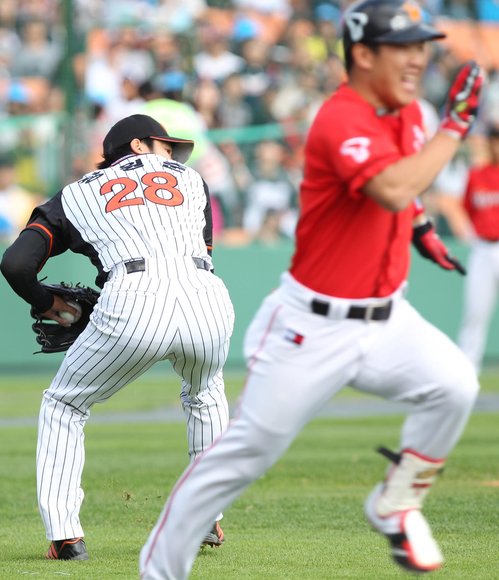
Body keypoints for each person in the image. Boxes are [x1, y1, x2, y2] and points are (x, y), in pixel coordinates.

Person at [138, 1, 484, 578]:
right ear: (364, 54)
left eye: (422, 46)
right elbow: (395, 188)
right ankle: (160, 571)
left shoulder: (404, 114)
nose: (418, 58)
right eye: (403, 47)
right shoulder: (341, 117)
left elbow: (405, 191)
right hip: (311, 325)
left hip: (387, 316)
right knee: (242, 457)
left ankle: (397, 502)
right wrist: (453, 130)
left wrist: (420, 226)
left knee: (454, 385)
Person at [0, 114, 234, 560]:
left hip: (133, 297)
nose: (172, 156)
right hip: (208, 297)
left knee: (64, 403)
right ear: (139, 145)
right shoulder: (194, 181)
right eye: (165, 146)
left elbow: (15, 264)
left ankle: (66, 537)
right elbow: (197, 255)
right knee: (205, 392)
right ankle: (207, 518)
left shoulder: (79, 192)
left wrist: (46, 302)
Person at [456, 125, 499, 373]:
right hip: (483, 247)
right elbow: (468, 210)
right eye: (495, 139)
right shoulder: (476, 174)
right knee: (474, 314)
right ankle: (466, 375)